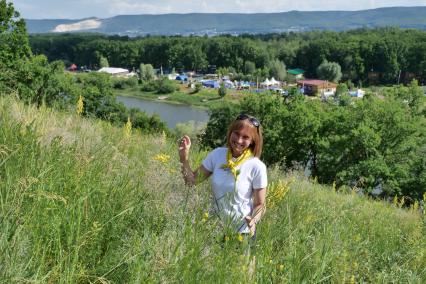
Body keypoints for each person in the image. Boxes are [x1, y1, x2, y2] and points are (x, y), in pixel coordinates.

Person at [178, 114, 267, 237]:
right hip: (214, 229)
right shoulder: (217, 155)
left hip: (242, 232)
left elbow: (260, 204)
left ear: (253, 140)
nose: (239, 140)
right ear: (230, 132)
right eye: (236, 133)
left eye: (245, 137)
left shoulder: (257, 166)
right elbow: (191, 182)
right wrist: (184, 158)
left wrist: (253, 220)